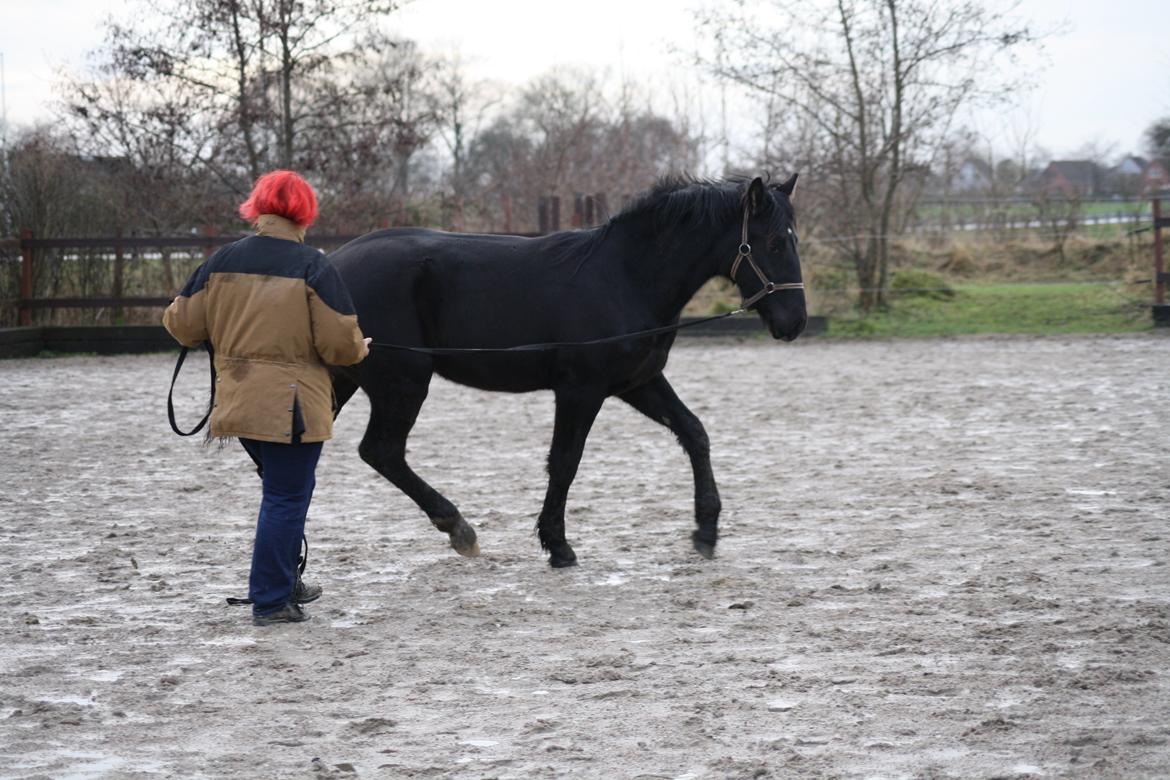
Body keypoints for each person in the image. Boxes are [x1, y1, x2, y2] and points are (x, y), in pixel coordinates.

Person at [163, 170, 370, 626]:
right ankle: (272, 600)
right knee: (286, 496)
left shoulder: (221, 261)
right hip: (292, 408)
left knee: (282, 492)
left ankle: (282, 582)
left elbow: (181, 324)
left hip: (237, 403)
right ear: (305, 212)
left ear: (257, 208)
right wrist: (362, 347)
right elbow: (341, 345)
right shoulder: (313, 265)